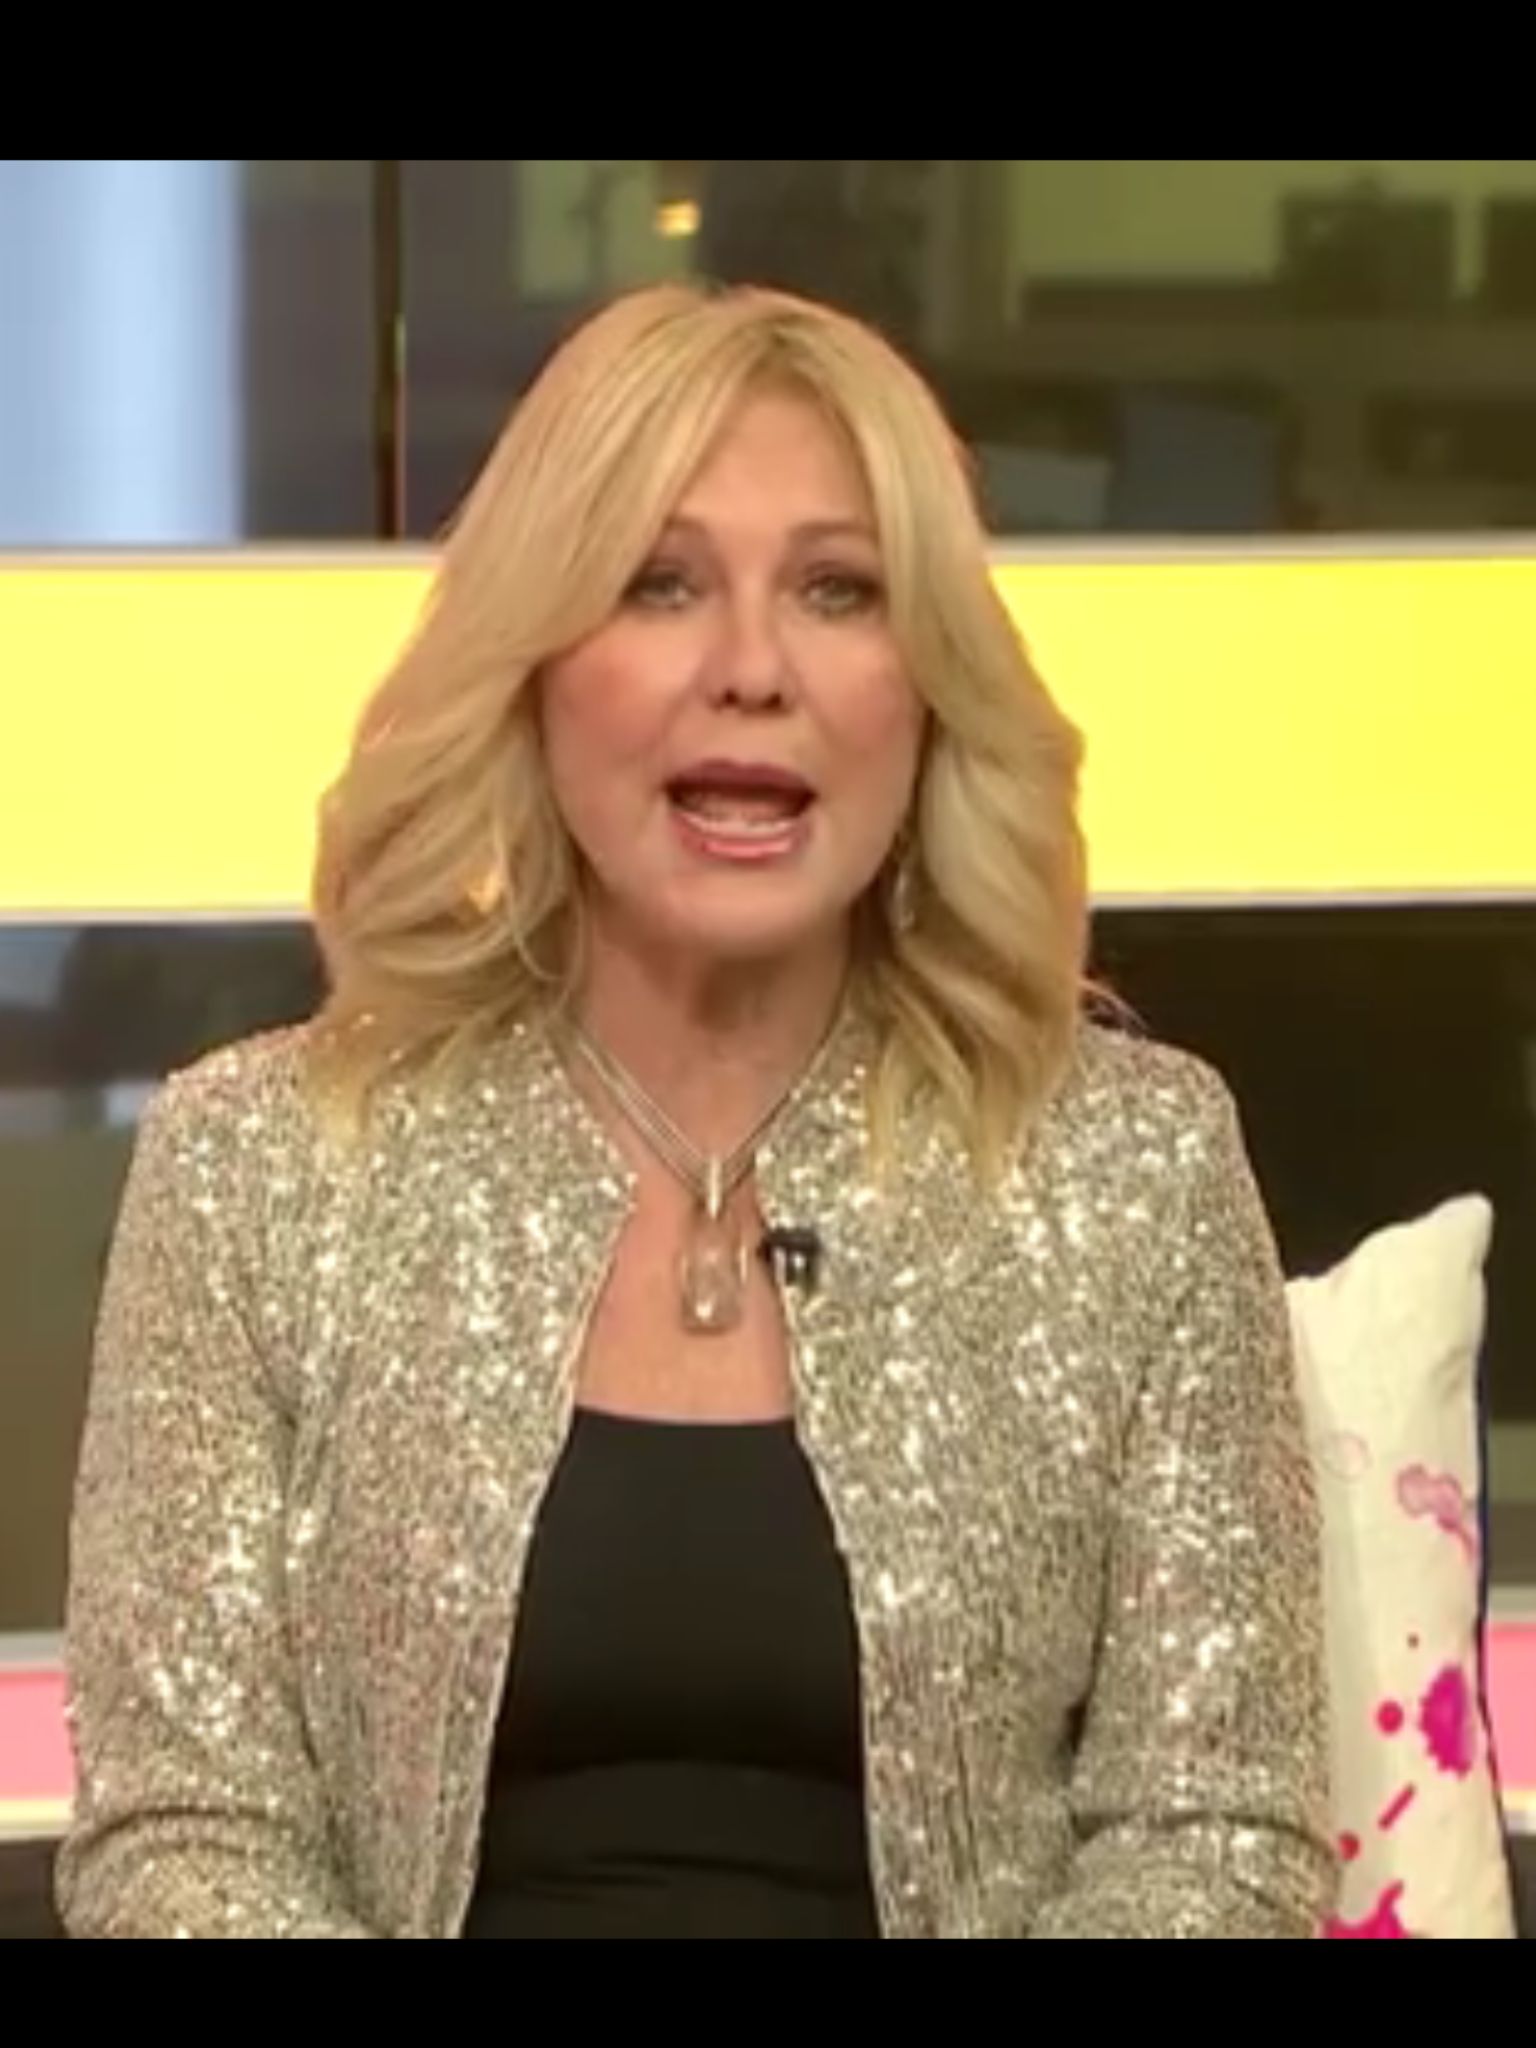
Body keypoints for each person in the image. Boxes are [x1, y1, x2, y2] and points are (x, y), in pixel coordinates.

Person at [55, 283, 1336, 1941]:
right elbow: (181, 1842)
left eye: (838, 590)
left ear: (927, 683)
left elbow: (1218, 1840)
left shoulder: (1138, 1171)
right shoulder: (259, 1170)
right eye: (661, 583)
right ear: (536, 664)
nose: (751, 670)